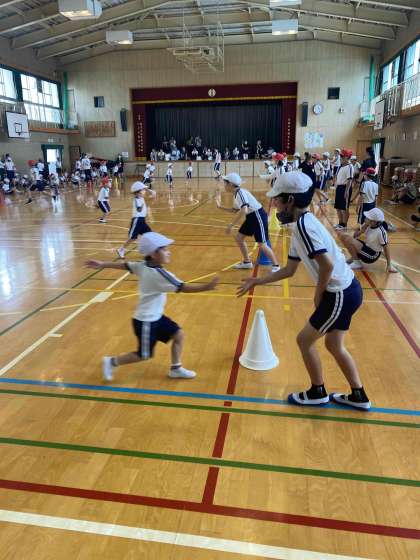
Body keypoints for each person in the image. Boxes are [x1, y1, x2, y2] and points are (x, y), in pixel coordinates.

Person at [238, 171, 371, 410]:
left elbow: (327, 265)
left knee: (304, 340)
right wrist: (257, 281)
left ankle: (317, 392)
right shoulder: (299, 226)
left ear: (290, 200)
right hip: (348, 291)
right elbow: (289, 270)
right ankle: (359, 396)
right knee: (334, 345)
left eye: (277, 199)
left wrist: (318, 294)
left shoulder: (303, 227)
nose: (274, 204)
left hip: (339, 293)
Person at [85, 232, 219, 381]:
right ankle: (111, 362)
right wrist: (206, 287)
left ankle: (176, 369)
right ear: (153, 254)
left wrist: (103, 264)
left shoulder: (142, 265)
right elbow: (183, 287)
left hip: (156, 317)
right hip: (146, 321)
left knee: (179, 335)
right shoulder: (159, 275)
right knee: (144, 355)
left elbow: (125, 265)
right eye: (164, 249)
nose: (169, 252)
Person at [216, 172, 280, 272]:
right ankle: (247, 262)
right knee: (239, 238)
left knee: (262, 244)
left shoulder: (240, 193)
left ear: (231, 184)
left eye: (225, 182)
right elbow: (235, 210)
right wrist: (220, 207)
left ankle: (276, 265)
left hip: (258, 216)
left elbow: (244, 209)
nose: (224, 185)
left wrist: (231, 225)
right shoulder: (236, 194)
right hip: (251, 217)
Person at [338, 208, 397, 273]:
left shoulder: (381, 232)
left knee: (350, 240)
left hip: (372, 255)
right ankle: (355, 259)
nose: (365, 218)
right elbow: (354, 236)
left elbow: (386, 248)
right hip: (366, 248)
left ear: (373, 221)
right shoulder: (367, 225)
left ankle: (356, 262)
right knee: (344, 236)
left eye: (367, 218)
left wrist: (389, 265)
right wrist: (361, 231)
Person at [117, 181, 155, 259]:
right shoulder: (137, 199)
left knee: (149, 235)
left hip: (142, 220)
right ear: (138, 192)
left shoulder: (141, 197)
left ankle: (148, 252)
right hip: (137, 220)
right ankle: (121, 249)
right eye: (143, 190)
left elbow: (151, 195)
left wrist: (148, 190)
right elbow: (139, 209)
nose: (144, 191)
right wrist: (148, 197)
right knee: (133, 237)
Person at [333, 149, 354, 230]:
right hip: (339, 188)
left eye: (342, 156)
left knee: (344, 208)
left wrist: (347, 191)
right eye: (341, 156)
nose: (341, 158)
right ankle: (340, 223)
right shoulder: (341, 166)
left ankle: (344, 225)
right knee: (338, 207)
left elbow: (350, 180)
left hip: (345, 188)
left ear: (347, 157)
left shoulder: (350, 167)